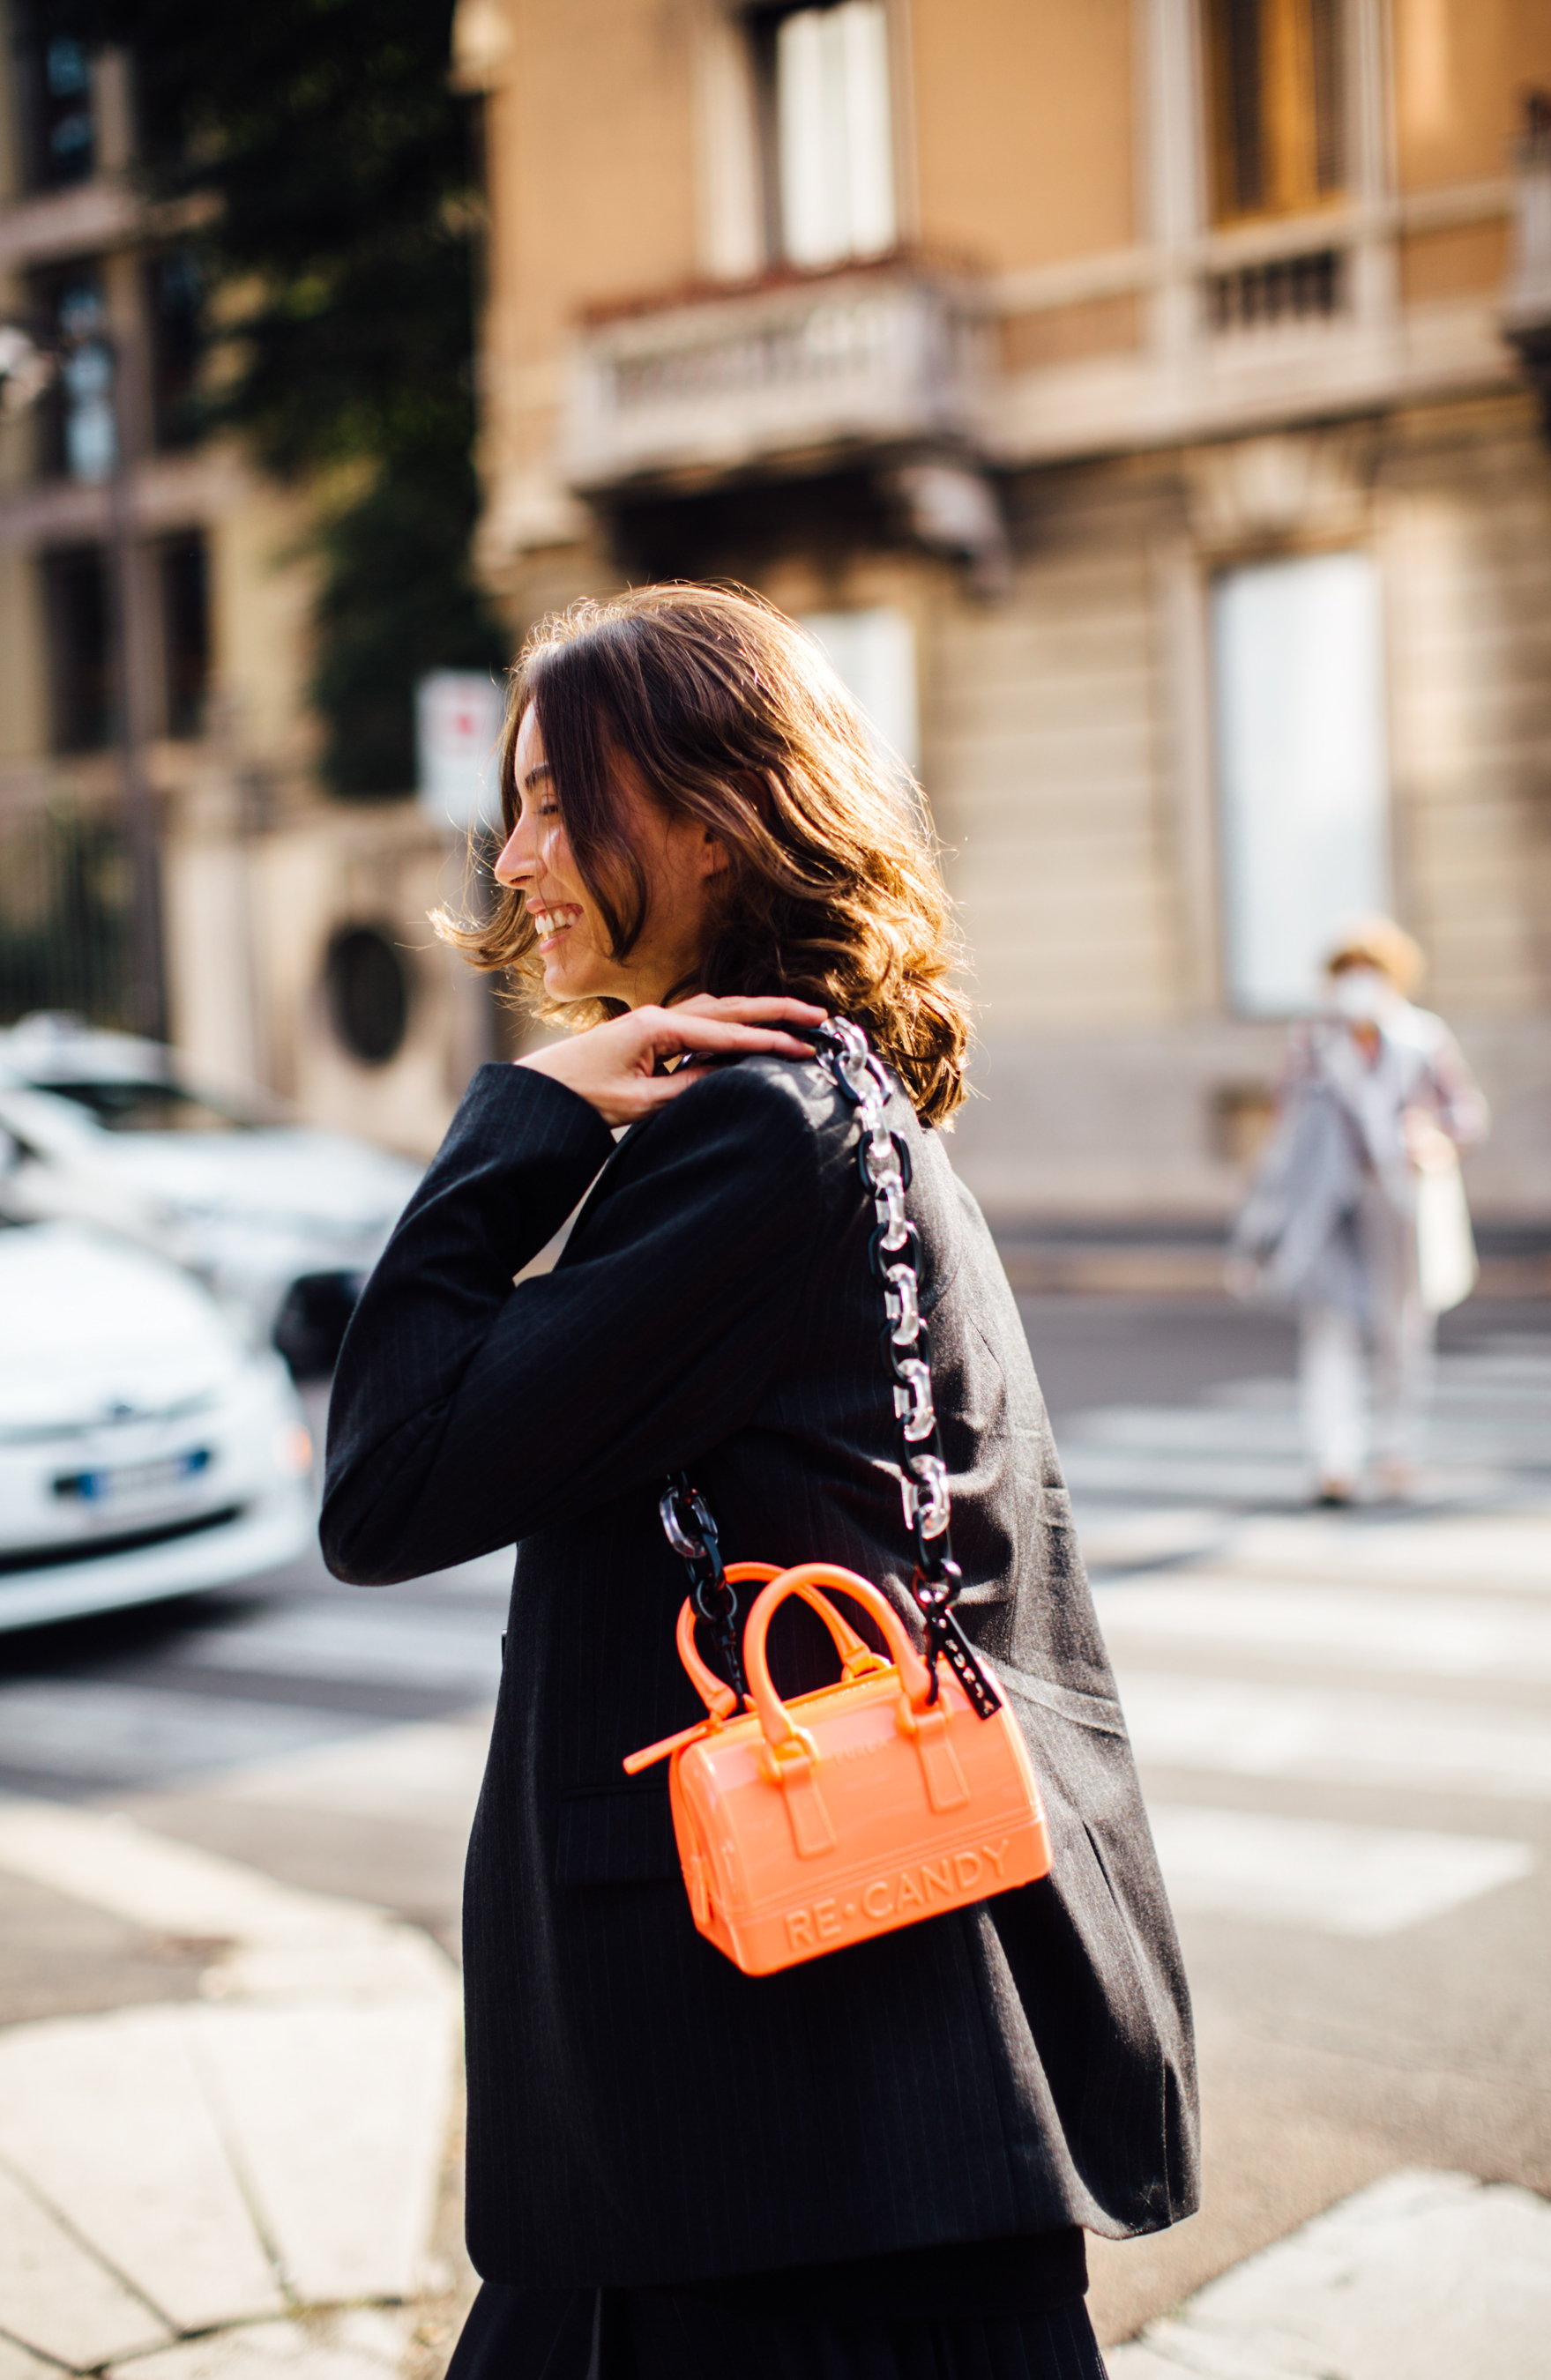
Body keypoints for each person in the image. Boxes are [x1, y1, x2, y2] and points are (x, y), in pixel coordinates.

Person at [320, 585, 1197, 2380]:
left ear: (716, 821)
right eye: (517, 805)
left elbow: (388, 1484)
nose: (518, 859)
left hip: (773, 2126)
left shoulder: (754, 1134)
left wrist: (523, 1117)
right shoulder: (839, 1101)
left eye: (567, 803)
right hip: (819, 2107)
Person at [1229, 916, 1488, 1505]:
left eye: (1368, 973)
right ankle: (1333, 1461)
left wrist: (1436, 1140)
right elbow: (1285, 1121)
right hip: (1328, 1205)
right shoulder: (1312, 1043)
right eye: (1345, 974)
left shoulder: (1425, 1038)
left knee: (1403, 1329)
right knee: (1329, 1329)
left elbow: (1466, 1114)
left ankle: (1397, 1451)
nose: (1356, 985)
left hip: (1402, 1202)